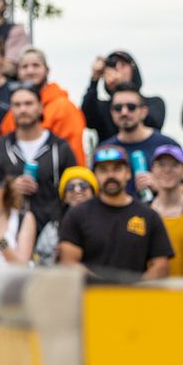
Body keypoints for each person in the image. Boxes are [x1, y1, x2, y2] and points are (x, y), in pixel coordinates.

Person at [56, 146, 173, 280]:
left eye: (117, 169)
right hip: (91, 297)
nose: (110, 175)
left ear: (128, 172)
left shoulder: (149, 216)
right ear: (95, 175)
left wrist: (134, 290)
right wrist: (104, 287)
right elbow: (68, 263)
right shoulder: (77, 215)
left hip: (136, 297)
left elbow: (161, 266)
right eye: (103, 170)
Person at [0, 85, 80, 229]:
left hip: (52, 230)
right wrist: (10, 188)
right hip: (9, 230)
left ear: (40, 107)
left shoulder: (60, 147)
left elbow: (73, 188)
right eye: (17, 105)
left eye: (28, 103)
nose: (23, 109)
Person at [0, 50, 87, 167]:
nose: (30, 71)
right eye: (24, 66)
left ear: (47, 70)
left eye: (36, 65)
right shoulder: (12, 114)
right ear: (17, 72)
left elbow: (74, 151)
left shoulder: (64, 107)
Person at [97, 87, 182, 193]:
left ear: (144, 112)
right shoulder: (104, 150)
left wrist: (161, 187)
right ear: (111, 112)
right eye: (118, 108)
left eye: (131, 107)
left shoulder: (167, 146)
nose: (124, 112)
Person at [83, 51, 168, 141]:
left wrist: (123, 87)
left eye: (123, 65)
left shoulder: (154, 102)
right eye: (112, 66)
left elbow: (153, 124)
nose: (124, 112)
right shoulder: (103, 107)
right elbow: (86, 119)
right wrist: (95, 79)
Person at [148, 146, 183, 278]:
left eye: (174, 165)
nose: (167, 170)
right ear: (152, 170)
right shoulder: (143, 213)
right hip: (152, 293)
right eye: (161, 165)